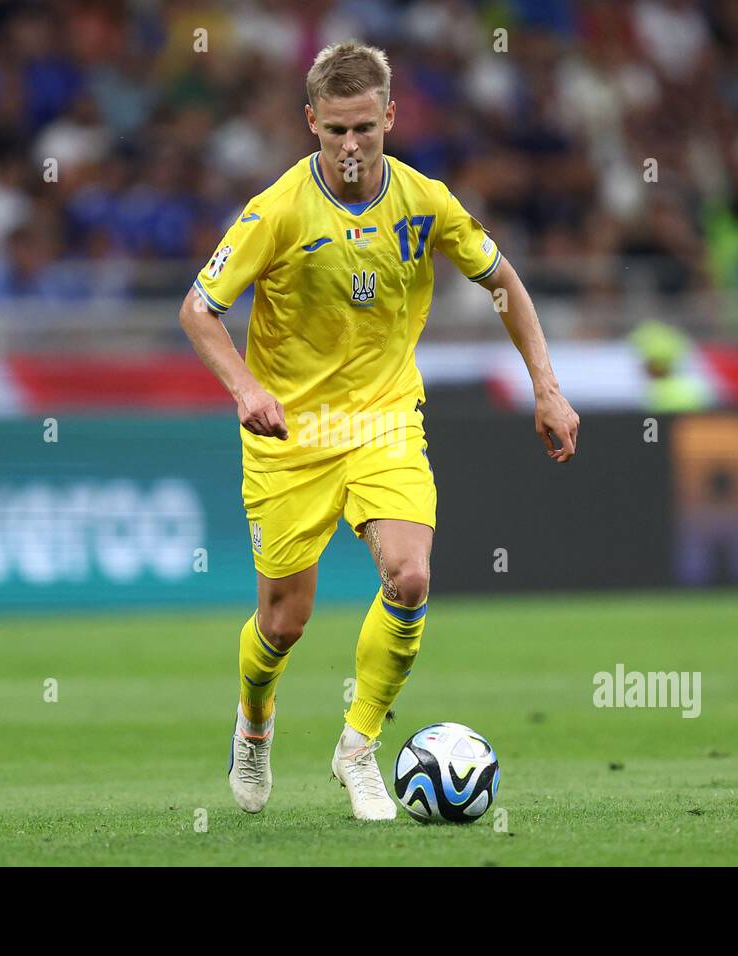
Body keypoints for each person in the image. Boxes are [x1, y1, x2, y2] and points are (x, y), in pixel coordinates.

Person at [178, 41, 580, 820]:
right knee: (282, 622)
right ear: (311, 125)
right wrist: (246, 387)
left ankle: (358, 747)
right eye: (335, 131)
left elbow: (502, 281)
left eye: (365, 126)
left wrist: (547, 389)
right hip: (290, 434)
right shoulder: (278, 211)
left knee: (411, 576)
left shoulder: (426, 201)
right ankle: (254, 727)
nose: (352, 145)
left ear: (391, 115)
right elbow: (199, 308)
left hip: (386, 422)